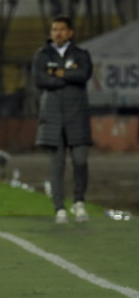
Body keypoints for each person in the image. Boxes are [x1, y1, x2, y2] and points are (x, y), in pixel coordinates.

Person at [32, 15, 93, 224]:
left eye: (61, 29)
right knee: (56, 166)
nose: (57, 33)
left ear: (70, 33)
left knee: (81, 161)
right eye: (54, 29)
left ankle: (79, 202)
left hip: (77, 114)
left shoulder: (81, 54)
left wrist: (56, 73)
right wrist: (67, 76)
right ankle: (59, 208)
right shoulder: (42, 55)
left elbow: (83, 75)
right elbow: (39, 79)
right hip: (52, 116)